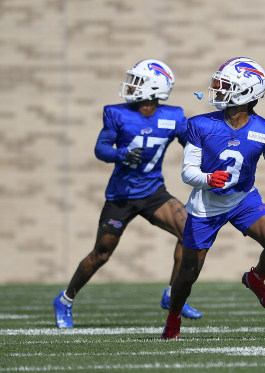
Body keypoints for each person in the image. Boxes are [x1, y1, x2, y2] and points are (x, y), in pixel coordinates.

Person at [53, 59, 202, 328]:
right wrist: (120, 153)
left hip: (153, 191)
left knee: (191, 232)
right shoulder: (117, 113)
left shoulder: (174, 116)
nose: (131, 85)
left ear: (155, 87)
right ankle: (65, 299)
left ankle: (172, 294)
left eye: (138, 81)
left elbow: (193, 144)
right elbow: (101, 149)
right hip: (121, 195)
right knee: (101, 254)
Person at [160, 57, 265, 339]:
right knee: (188, 273)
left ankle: (255, 278)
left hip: (242, 200)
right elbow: (188, 172)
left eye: (226, 85)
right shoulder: (201, 125)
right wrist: (208, 179)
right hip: (206, 205)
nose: (218, 89)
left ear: (247, 93)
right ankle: (173, 319)